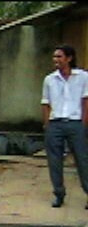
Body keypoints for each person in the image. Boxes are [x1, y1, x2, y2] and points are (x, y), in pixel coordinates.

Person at [41, 44, 88, 209]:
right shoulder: (49, 79)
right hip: (56, 123)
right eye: (54, 57)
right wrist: (47, 125)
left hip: (76, 123)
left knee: (82, 160)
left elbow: (85, 100)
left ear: (69, 58)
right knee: (54, 160)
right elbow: (45, 103)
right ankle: (59, 194)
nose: (56, 60)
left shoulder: (82, 77)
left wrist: (83, 123)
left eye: (59, 57)